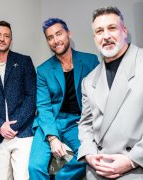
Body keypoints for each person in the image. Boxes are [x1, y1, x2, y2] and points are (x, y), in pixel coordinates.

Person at [77, 6, 143, 179]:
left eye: (112, 28)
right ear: (95, 38)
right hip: (100, 169)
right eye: (99, 31)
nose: (106, 36)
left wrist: (132, 160)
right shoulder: (88, 81)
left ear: (124, 31)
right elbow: (85, 124)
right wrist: (89, 154)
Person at [28, 18, 99, 180]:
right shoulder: (44, 70)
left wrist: (89, 121)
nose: (55, 40)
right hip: (50, 120)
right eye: (50, 37)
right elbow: (44, 106)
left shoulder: (90, 61)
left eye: (58, 34)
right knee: (35, 167)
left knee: (86, 156)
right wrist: (52, 138)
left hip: (76, 122)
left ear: (68, 34)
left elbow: (99, 98)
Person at [0, 21, 36, 180]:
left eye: (6, 36)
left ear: (11, 40)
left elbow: (32, 97)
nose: (2, 39)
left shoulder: (24, 62)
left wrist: (14, 126)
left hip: (23, 133)